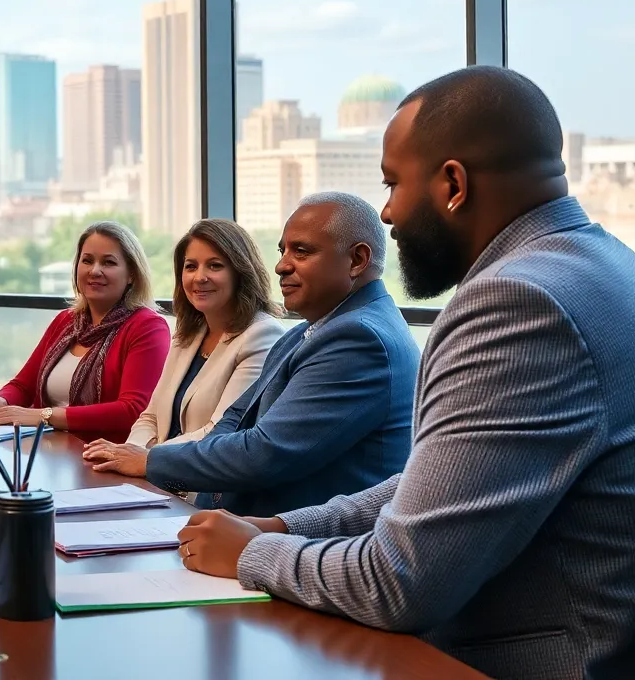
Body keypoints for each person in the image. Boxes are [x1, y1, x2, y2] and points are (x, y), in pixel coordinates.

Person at [177, 67, 635, 679]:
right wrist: (286, 524)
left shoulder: (517, 302)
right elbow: (446, 481)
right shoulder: (605, 262)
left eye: (393, 184)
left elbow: (401, 580)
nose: (388, 212)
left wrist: (254, 553)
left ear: (452, 183)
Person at [87, 194, 418, 517]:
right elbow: (235, 419)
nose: (281, 265)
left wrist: (148, 461)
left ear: (357, 260)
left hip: (291, 547)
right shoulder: (305, 332)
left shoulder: (360, 338)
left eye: (301, 251)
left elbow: (266, 452)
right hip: (231, 523)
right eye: (282, 250)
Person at [86, 219, 283, 458]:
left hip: (204, 488)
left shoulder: (262, 335)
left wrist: (146, 459)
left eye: (215, 266)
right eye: (191, 266)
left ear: (240, 273)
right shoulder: (189, 333)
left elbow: (219, 432)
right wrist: (128, 455)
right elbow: (150, 417)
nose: (199, 277)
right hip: (160, 478)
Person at [0, 221, 170, 443]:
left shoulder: (147, 327)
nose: (95, 270)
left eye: (108, 262)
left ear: (132, 274)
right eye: (87, 261)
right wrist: (0, 402)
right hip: (46, 453)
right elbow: (23, 385)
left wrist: (45, 416)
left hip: (103, 459)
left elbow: (132, 410)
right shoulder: (66, 321)